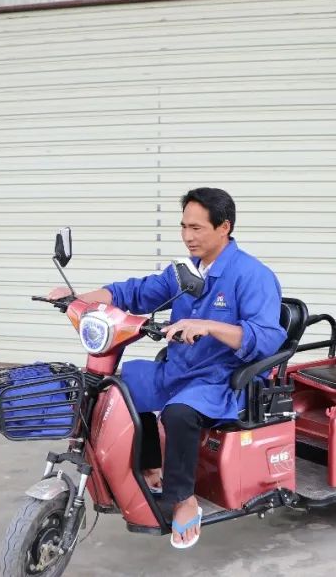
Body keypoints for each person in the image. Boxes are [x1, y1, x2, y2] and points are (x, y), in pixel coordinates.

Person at [47, 187, 286, 548]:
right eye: (183, 227)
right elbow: (136, 293)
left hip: (222, 379)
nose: (188, 236)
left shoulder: (253, 276)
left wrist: (208, 326)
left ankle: (183, 499)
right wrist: (78, 297)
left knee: (178, 414)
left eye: (197, 228)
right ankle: (151, 466)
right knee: (121, 385)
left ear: (225, 227)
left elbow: (268, 338)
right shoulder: (185, 272)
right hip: (178, 369)